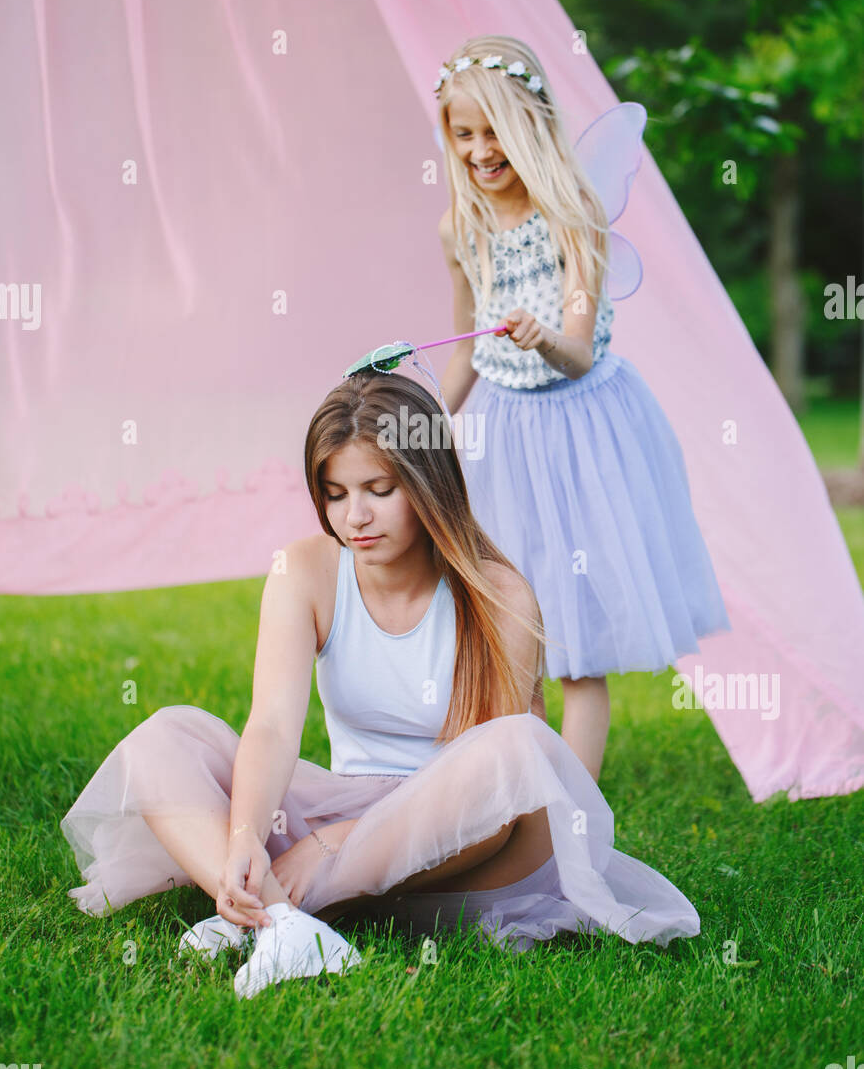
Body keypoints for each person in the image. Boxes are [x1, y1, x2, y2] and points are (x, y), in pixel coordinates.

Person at [60, 371, 700, 1000]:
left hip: (461, 847)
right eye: (335, 494)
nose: (354, 516)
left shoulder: (499, 594)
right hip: (344, 808)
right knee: (163, 737)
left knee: (513, 747)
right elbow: (274, 726)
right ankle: (278, 917)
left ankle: (265, 908)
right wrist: (246, 835)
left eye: (379, 488)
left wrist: (327, 843)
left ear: (429, 483)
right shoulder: (305, 570)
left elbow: (493, 794)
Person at [435, 35, 730, 783]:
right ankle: (527, 806)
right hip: (503, 436)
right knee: (517, 631)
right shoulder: (461, 230)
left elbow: (580, 349)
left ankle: (578, 815)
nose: (478, 150)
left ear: (529, 123)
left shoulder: (572, 215)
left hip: (578, 430)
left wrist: (542, 339)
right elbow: (468, 349)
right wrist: (423, 422)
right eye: (462, 133)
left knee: (577, 643)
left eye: (492, 130)